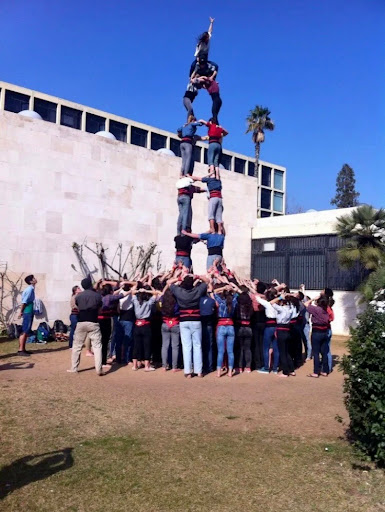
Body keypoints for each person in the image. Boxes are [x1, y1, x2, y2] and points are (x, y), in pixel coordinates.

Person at [169, 274, 209, 378]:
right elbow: (207, 281)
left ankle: (188, 371)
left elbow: (169, 283)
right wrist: (198, 276)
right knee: (197, 345)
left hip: (183, 320)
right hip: (196, 320)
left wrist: (179, 278)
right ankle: (199, 371)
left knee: (186, 347)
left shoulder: (179, 291)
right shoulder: (197, 290)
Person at [67, 275, 103, 376]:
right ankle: (98, 369)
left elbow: (78, 308)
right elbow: (100, 309)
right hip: (93, 321)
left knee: (77, 346)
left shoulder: (78, 296)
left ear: (82, 286)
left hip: (81, 321)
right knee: (97, 346)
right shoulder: (97, 296)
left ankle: (74, 368)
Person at [131, 284, 162, 371]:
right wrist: (147, 290)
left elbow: (132, 292)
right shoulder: (149, 303)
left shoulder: (136, 302)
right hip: (146, 325)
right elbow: (155, 293)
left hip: (137, 324)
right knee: (147, 345)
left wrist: (138, 291)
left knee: (136, 345)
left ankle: (135, 365)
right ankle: (147, 366)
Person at [214, 285, 238, 378]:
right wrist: (232, 289)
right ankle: (230, 372)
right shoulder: (233, 302)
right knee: (230, 351)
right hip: (230, 325)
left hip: (221, 325)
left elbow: (214, 292)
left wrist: (223, 287)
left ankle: (219, 372)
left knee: (221, 351)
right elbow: (237, 293)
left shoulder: (221, 302)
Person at [304, 296, 330, 378]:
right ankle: (325, 370)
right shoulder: (326, 310)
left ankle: (316, 372)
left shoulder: (316, 309)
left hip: (316, 332)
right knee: (324, 352)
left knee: (316, 353)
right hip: (324, 332)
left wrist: (313, 299)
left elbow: (305, 304)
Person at [160, 288, 180, 372]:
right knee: (175, 346)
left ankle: (164, 366)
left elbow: (161, 295)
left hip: (165, 323)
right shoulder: (177, 301)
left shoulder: (162, 301)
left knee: (165, 346)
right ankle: (174, 367)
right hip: (175, 323)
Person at [115, 283, 136, 364]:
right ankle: (127, 359)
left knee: (119, 340)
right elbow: (136, 283)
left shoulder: (120, 294)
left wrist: (121, 286)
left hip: (120, 318)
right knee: (128, 340)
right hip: (128, 319)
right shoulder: (131, 294)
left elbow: (117, 309)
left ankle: (118, 358)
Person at [17, 274, 37, 356]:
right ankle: (20, 350)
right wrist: (21, 311)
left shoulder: (31, 289)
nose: (35, 279)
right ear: (31, 281)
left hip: (29, 310)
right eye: (34, 278)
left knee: (27, 330)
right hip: (27, 311)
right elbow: (24, 302)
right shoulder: (29, 290)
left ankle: (23, 349)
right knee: (25, 330)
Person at [235, 290, 253, 373]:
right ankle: (248, 367)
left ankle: (240, 366)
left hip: (240, 327)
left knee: (240, 348)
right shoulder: (250, 307)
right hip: (248, 327)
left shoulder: (238, 306)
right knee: (248, 348)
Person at [200, 286, 216, 374]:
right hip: (209, 324)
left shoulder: (198, 300)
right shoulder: (211, 300)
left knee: (201, 346)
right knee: (209, 346)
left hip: (201, 324)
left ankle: (202, 365)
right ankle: (209, 366)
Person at [69, 285, 81, 349]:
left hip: (77, 315)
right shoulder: (74, 297)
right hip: (74, 315)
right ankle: (71, 345)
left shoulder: (78, 296)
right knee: (73, 330)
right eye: (78, 288)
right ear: (75, 290)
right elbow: (75, 306)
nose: (80, 289)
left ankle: (75, 344)